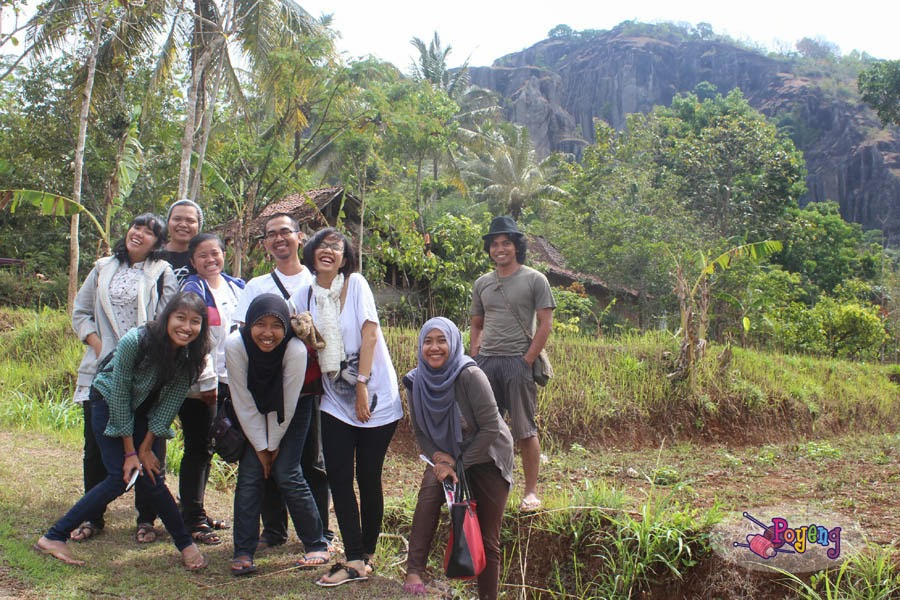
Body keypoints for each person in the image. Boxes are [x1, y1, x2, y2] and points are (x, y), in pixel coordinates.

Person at [34, 292, 212, 570]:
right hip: (107, 401)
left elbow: (168, 406)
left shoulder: (192, 357)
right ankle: (54, 536)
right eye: (180, 318)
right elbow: (119, 394)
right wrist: (131, 452)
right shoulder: (136, 341)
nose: (186, 327)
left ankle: (185, 545)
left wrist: (146, 448)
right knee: (121, 476)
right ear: (167, 318)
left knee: (150, 475)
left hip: (141, 409)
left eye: (195, 321)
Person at [289, 228, 403, 587]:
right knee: (338, 476)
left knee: (368, 476)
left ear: (344, 257)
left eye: (336, 247)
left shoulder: (356, 285)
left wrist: (362, 386)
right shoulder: (303, 295)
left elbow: (370, 334)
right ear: (311, 252)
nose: (328, 251)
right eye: (322, 246)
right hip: (334, 400)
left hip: (375, 395)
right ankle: (353, 557)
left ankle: (366, 554)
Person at [70, 213, 179, 543]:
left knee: (150, 445)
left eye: (149, 232)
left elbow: (168, 321)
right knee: (95, 447)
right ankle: (92, 516)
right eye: (137, 227)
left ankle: (146, 518)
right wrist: (100, 347)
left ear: (157, 243)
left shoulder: (162, 272)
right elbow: (80, 312)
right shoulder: (102, 267)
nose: (139, 234)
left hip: (146, 372)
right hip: (102, 369)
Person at [234, 213, 332, 552]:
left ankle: (322, 531)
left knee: (311, 461)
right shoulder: (256, 286)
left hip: (308, 386)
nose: (279, 239)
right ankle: (273, 530)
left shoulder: (317, 282)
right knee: (269, 457)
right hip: (267, 386)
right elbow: (242, 332)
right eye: (271, 234)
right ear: (265, 244)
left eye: (285, 232)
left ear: (299, 237)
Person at [402, 317, 514, 599]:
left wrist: (458, 462)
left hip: (488, 456)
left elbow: (491, 428)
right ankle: (414, 571)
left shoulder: (469, 375)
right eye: (428, 341)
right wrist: (438, 459)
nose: (434, 348)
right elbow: (420, 431)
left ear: (453, 343)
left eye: (442, 340)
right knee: (428, 497)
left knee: (486, 535)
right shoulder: (416, 381)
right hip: (447, 455)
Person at [225, 294, 331, 576]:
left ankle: (316, 543)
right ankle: (243, 550)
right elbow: (243, 401)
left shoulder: (295, 350)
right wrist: (261, 448)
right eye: (261, 324)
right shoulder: (235, 345)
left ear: (286, 326)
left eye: (276, 325)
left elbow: (286, 406)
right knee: (250, 472)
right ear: (249, 324)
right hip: (253, 407)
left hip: (294, 406)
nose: (268, 333)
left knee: (286, 471)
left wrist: (271, 448)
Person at [470, 216, 555, 512]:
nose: (500, 249)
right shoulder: (482, 283)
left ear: (516, 246)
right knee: (483, 429)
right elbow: (477, 324)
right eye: (494, 244)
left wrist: (527, 360)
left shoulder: (535, 279)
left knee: (524, 430)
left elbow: (545, 323)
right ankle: (488, 490)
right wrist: (475, 357)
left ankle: (530, 492)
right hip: (486, 364)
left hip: (517, 363)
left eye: (506, 243)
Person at [179, 233, 245, 544]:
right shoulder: (192, 290)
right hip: (201, 384)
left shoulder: (237, 287)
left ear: (224, 255)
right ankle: (192, 519)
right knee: (198, 449)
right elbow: (192, 338)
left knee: (219, 446)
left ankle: (198, 513)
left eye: (215, 253)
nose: (210, 260)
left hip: (234, 380)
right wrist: (206, 381)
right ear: (193, 261)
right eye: (202, 255)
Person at [162, 199, 203, 284]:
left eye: (190, 221)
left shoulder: (205, 258)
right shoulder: (154, 255)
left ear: (199, 226)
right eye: (177, 219)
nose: (183, 225)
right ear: (168, 223)